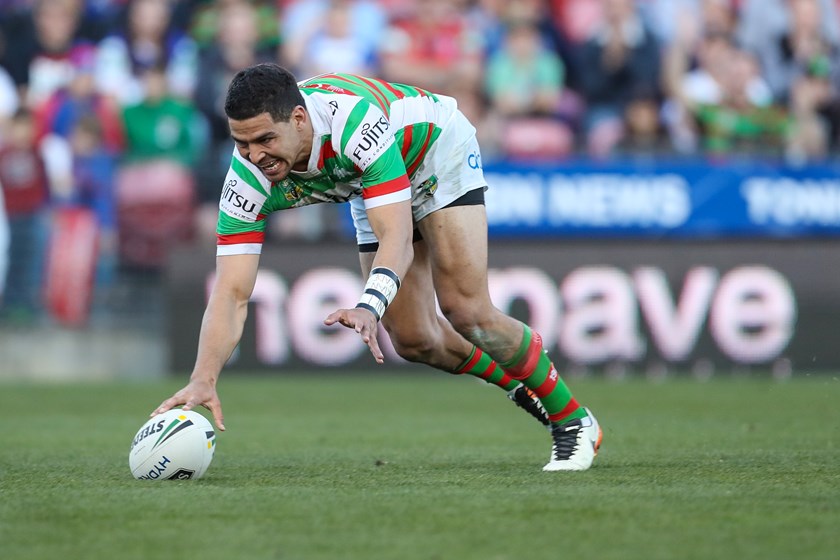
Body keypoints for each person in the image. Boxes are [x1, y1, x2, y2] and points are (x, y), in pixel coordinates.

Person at [152, 63, 603, 472]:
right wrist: (202, 379)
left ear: (299, 120)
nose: (254, 156)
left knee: (466, 310)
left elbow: (397, 239)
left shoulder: (353, 125)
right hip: (368, 183)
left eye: (265, 140)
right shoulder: (245, 178)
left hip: (433, 152)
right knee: (413, 340)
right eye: (241, 142)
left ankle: (574, 421)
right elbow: (231, 293)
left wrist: (369, 304)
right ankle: (520, 379)